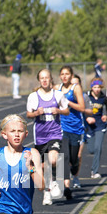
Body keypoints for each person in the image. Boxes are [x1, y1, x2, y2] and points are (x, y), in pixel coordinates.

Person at [27, 68, 70, 205]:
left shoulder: (58, 95)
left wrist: (58, 110)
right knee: (42, 165)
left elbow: (67, 111)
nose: (44, 80)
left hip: (55, 133)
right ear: (39, 80)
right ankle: (47, 191)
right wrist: (36, 113)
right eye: (42, 78)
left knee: (52, 159)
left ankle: (55, 182)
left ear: (51, 79)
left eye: (47, 77)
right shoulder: (33, 96)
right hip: (40, 135)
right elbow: (28, 114)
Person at [57, 66, 85, 193]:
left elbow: (82, 108)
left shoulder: (76, 88)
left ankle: (74, 171)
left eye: (67, 74)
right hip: (62, 127)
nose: (64, 76)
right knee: (64, 156)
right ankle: (65, 186)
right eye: (62, 74)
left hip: (76, 128)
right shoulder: (57, 88)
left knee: (74, 159)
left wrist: (67, 101)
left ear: (71, 75)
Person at [84, 78, 107, 178]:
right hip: (89, 126)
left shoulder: (104, 98)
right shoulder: (86, 97)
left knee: (98, 148)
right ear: (91, 87)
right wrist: (87, 118)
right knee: (91, 149)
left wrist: (106, 116)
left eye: (99, 87)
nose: (97, 89)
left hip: (100, 125)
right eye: (95, 87)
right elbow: (81, 110)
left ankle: (94, 171)